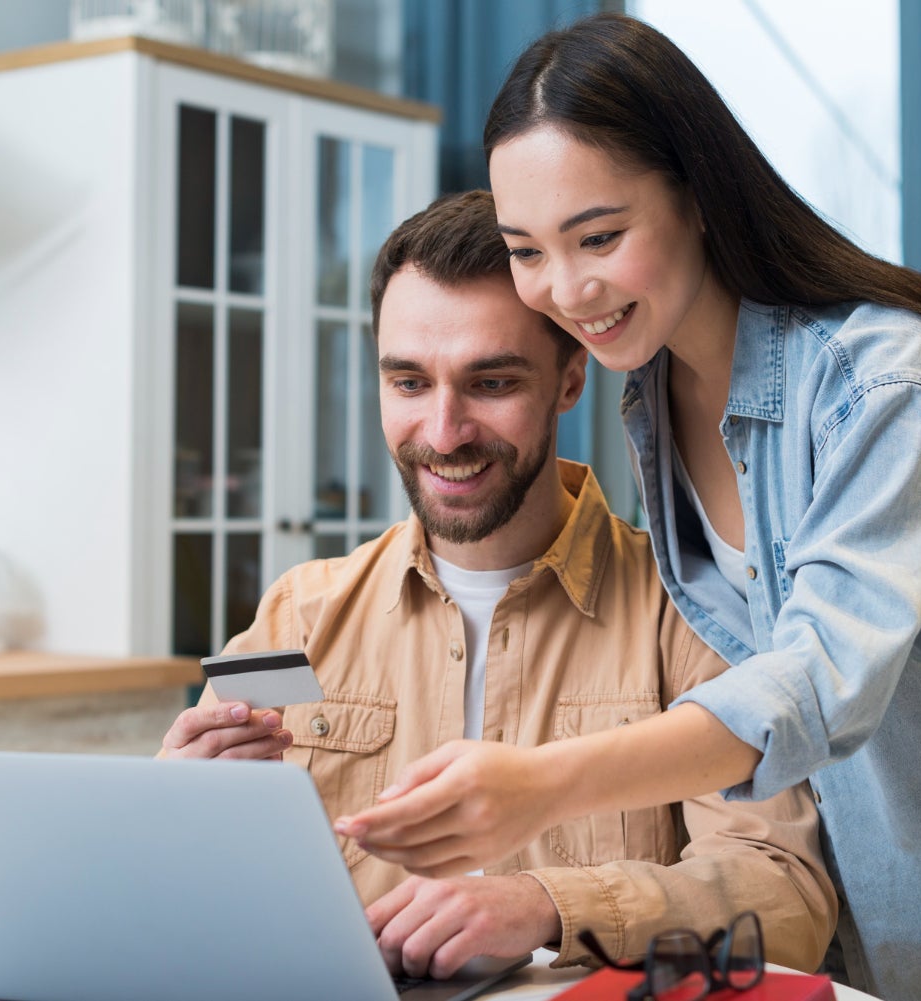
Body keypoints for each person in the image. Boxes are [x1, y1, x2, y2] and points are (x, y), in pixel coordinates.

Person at [332, 14, 921, 1001]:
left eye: (601, 236)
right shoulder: (651, 398)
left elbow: (818, 678)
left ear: (698, 196)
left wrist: (542, 782)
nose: (565, 288)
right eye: (528, 249)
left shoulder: (877, 374)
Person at [158, 190, 837, 981]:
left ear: (570, 377)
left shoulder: (687, 607)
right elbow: (187, 879)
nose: (444, 433)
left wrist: (545, 904)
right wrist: (176, 808)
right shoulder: (297, 612)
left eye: (491, 383)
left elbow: (785, 896)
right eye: (409, 383)